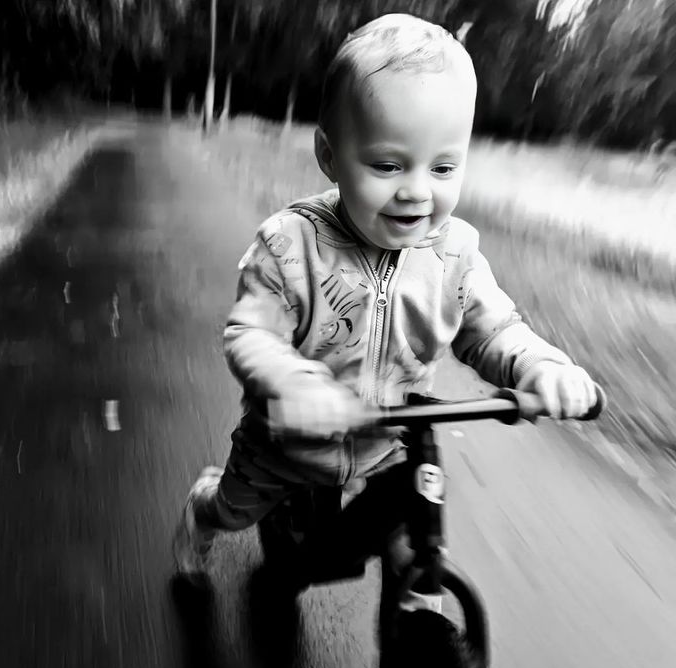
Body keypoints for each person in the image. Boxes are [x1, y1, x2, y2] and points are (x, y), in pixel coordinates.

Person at [172, 13, 597, 584]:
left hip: (388, 441)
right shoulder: (291, 246)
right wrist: (294, 382)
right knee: (235, 509)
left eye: (443, 167)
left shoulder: (454, 255)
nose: (417, 191)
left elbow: (495, 330)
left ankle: (418, 611)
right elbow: (251, 334)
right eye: (388, 165)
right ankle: (202, 511)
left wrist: (541, 367)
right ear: (330, 155)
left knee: (411, 525)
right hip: (286, 441)